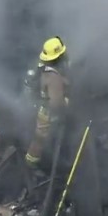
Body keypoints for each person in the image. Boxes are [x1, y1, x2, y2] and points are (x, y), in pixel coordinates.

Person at [25, 36, 70, 169]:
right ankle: (31, 166)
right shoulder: (53, 77)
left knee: (40, 139)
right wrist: (67, 102)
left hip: (39, 108)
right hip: (47, 114)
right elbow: (56, 104)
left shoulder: (43, 68)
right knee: (40, 140)